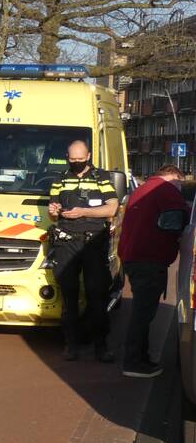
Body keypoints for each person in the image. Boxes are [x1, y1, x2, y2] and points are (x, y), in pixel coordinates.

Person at [47, 140, 119, 362]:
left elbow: (112, 208)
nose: (76, 163)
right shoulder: (60, 179)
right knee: (68, 296)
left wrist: (83, 212)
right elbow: (52, 212)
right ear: (67, 157)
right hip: (66, 243)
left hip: (93, 243)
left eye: (80, 159)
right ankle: (71, 345)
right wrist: (54, 210)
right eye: (72, 159)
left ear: (88, 156)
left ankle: (101, 346)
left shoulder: (102, 178)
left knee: (96, 294)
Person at [117, 164, 187, 378]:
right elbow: (176, 223)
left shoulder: (144, 188)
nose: (180, 188)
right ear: (174, 176)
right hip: (149, 259)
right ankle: (134, 362)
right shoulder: (166, 191)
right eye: (180, 184)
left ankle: (141, 357)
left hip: (133, 257)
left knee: (142, 310)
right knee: (143, 312)